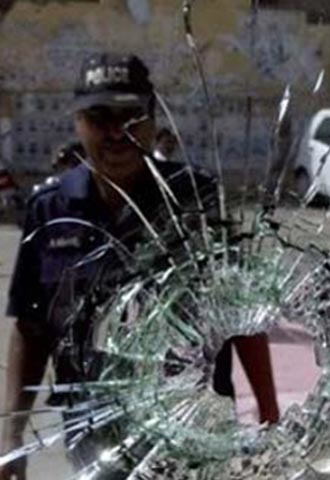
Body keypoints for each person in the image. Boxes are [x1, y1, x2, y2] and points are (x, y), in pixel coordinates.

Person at [0, 52, 279, 479]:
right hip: (89, 425)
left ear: (153, 122)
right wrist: (11, 435)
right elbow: (30, 330)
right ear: (77, 121)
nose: (117, 134)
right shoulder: (51, 208)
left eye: (131, 117)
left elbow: (243, 313)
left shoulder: (194, 199)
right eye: (99, 117)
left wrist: (262, 418)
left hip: (191, 420)